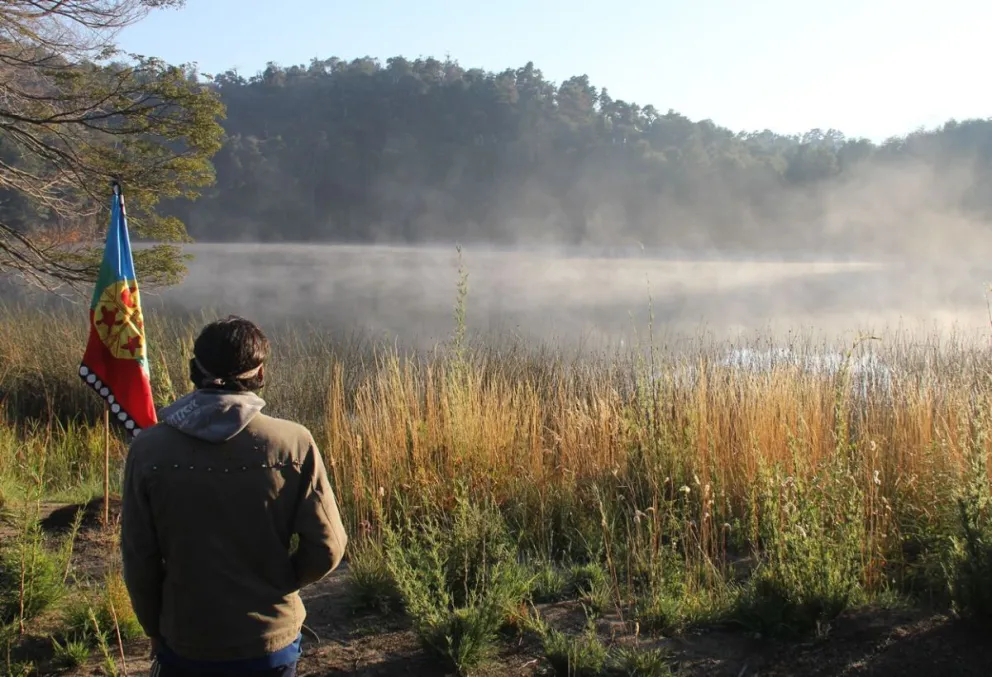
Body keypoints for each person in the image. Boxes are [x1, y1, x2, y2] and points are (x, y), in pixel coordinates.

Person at [120, 316, 348, 677]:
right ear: (259, 374)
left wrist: (155, 628)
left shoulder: (148, 449)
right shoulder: (292, 442)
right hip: (270, 640)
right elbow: (329, 547)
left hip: (186, 640)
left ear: (194, 369)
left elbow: (139, 560)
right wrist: (281, 583)